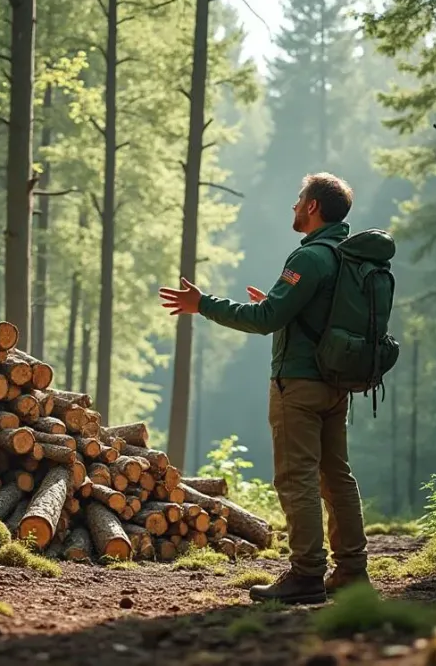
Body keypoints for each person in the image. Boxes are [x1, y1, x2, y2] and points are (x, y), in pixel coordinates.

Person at [159, 172, 371, 605]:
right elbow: (309, 315)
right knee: (337, 477)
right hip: (336, 383)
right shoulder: (348, 257)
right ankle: (352, 571)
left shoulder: (308, 257)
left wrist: (203, 304)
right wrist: (277, 309)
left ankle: (306, 575)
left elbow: (264, 321)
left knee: (297, 478)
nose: (294, 205)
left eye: (299, 198)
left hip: (299, 384)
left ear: (313, 206)